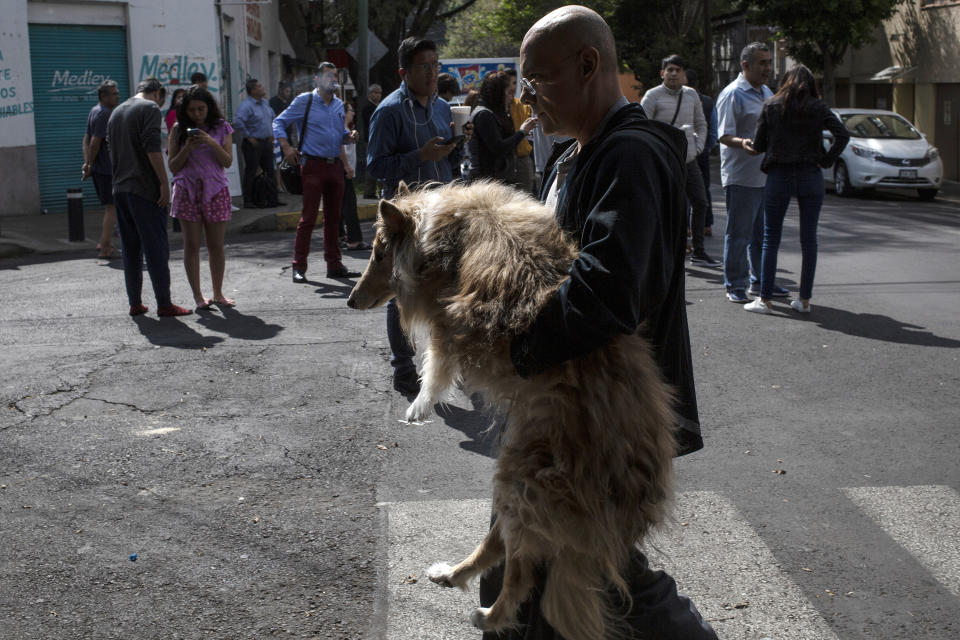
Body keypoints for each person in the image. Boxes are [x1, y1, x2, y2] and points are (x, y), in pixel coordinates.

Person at [479, 6, 716, 639]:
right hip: (571, 416)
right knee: (534, 576)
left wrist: (515, 342)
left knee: (582, 580)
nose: (525, 99)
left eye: (537, 80)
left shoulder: (630, 156)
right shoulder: (579, 156)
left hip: (605, 422)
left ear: (588, 65)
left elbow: (607, 292)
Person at [367, 37, 463, 395]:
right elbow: (375, 166)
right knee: (400, 289)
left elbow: (445, 157)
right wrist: (417, 158)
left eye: (436, 65)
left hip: (441, 213)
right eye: (424, 66)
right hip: (404, 219)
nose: (432, 73)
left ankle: (448, 361)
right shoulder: (389, 111)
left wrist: (456, 146)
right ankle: (403, 366)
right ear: (404, 72)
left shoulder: (441, 107)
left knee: (446, 287)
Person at [744, 64, 849, 315]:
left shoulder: (771, 105)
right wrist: (825, 160)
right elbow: (842, 135)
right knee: (809, 239)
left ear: (786, 81)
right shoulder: (818, 107)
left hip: (779, 174)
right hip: (810, 174)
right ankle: (804, 300)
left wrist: (749, 145)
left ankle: (765, 300)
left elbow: (759, 144)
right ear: (811, 84)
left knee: (771, 238)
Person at [106, 77, 191, 317]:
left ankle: (135, 302)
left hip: (120, 189)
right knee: (156, 248)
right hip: (144, 190)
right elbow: (152, 147)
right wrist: (164, 183)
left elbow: (112, 150)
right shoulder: (150, 108)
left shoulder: (117, 111)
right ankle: (164, 303)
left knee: (130, 249)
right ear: (158, 94)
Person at [717, 42, 790, 303]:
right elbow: (723, 135)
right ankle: (734, 284)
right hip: (741, 177)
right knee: (739, 234)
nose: (768, 68)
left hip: (766, 175)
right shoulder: (733, 93)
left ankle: (761, 280)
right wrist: (744, 143)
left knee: (762, 234)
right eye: (762, 63)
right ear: (745, 65)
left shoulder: (766, 91)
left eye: (769, 62)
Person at [273, 61, 359, 281]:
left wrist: (349, 136)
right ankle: (298, 266)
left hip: (335, 166)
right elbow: (279, 122)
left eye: (335, 76)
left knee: (334, 218)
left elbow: (340, 134)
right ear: (317, 79)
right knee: (309, 217)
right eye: (328, 75)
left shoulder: (339, 104)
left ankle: (334, 265)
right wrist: (286, 147)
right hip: (312, 166)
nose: (333, 79)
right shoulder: (306, 101)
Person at [641, 55, 720, 267]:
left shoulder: (692, 95)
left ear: (684, 74)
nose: (674, 73)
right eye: (670, 70)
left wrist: (700, 147)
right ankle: (667, 252)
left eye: (678, 70)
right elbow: (641, 128)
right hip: (663, 162)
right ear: (662, 73)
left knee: (701, 202)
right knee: (667, 208)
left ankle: (698, 251)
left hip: (688, 159)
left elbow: (701, 124)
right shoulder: (652, 96)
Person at [167, 85, 236, 311]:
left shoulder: (221, 127)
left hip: (216, 191)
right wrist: (187, 148)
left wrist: (211, 142)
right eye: (192, 110)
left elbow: (227, 162)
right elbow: (173, 166)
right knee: (192, 245)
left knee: (216, 245)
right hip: (187, 191)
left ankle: (218, 293)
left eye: (201, 109)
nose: (196, 114)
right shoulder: (178, 130)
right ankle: (198, 296)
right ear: (184, 111)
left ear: (209, 108)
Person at [468, 70, 537, 184]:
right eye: (509, 92)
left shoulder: (495, 112)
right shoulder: (484, 114)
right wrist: (522, 132)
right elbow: (499, 148)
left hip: (497, 178)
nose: (511, 97)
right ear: (499, 94)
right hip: (487, 182)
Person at [82, 79, 121, 260]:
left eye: (117, 92)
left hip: (100, 168)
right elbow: (95, 141)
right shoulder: (104, 114)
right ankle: (105, 247)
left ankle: (105, 242)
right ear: (103, 96)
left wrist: (87, 164)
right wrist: (89, 164)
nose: (117, 96)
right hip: (106, 170)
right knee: (111, 208)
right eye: (113, 93)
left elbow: (86, 139)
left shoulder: (94, 111)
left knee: (112, 207)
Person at [234, 78, 282, 208]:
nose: (262, 88)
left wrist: (272, 133)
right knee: (251, 171)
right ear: (253, 90)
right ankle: (249, 201)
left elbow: (273, 118)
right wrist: (248, 136)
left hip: (266, 142)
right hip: (253, 143)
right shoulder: (247, 105)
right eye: (259, 86)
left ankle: (272, 199)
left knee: (269, 170)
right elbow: (238, 121)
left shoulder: (265, 103)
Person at [684, 68, 718, 236]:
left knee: (683, 192)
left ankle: (686, 228)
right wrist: (705, 148)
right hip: (701, 151)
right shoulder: (708, 102)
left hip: (681, 153)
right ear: (697, 83)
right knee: (703, 190)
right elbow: (713, 132)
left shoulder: (680, 99)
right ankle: (706, 224)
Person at [339, 101, 369, 251]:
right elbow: (340, 149)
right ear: (344, 113)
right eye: (350, 110)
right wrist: (347, 167)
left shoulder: (346, 129)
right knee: (350, 206)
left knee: (340, 206)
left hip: (344, 171)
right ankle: (354, 240)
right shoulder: (341, 129)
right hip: (344, 171)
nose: (353, 113)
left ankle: (340, 236)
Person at [504, 68, 537, 193]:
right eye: (508, 84)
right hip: (506, 163)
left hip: (523, 159)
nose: (512, 88)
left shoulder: (522, 105)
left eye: (514, 83)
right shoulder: (496, 109)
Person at [360, 83, 383, 198]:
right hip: (370, 139)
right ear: (370, 94)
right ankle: (369, 192)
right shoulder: (367, 107)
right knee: (371, 165)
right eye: (375, 92)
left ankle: (380, 190)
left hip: (380, 138)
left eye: (379, 93)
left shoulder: (379, 105)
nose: (378, 95)